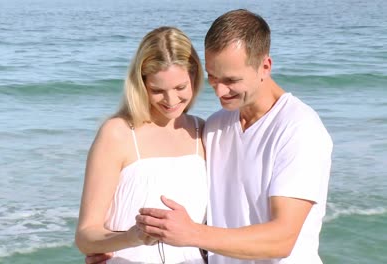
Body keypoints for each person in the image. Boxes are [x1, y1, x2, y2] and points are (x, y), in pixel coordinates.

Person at [135, 9, 333, 264]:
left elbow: (282, 239)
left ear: (265, 66)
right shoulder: (216, 125)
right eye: (212, 77)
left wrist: (193, 233)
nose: (219, 90)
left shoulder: (299, 128)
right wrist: (114, 245)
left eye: (231, 80)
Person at [75, 26, 208, 264]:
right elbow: (86, 237)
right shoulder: (118, 133)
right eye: (157, 90)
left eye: (180, 88)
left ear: (195, 78)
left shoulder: (203, 132)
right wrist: (132, 237)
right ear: (141, 83)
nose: (170, 101)